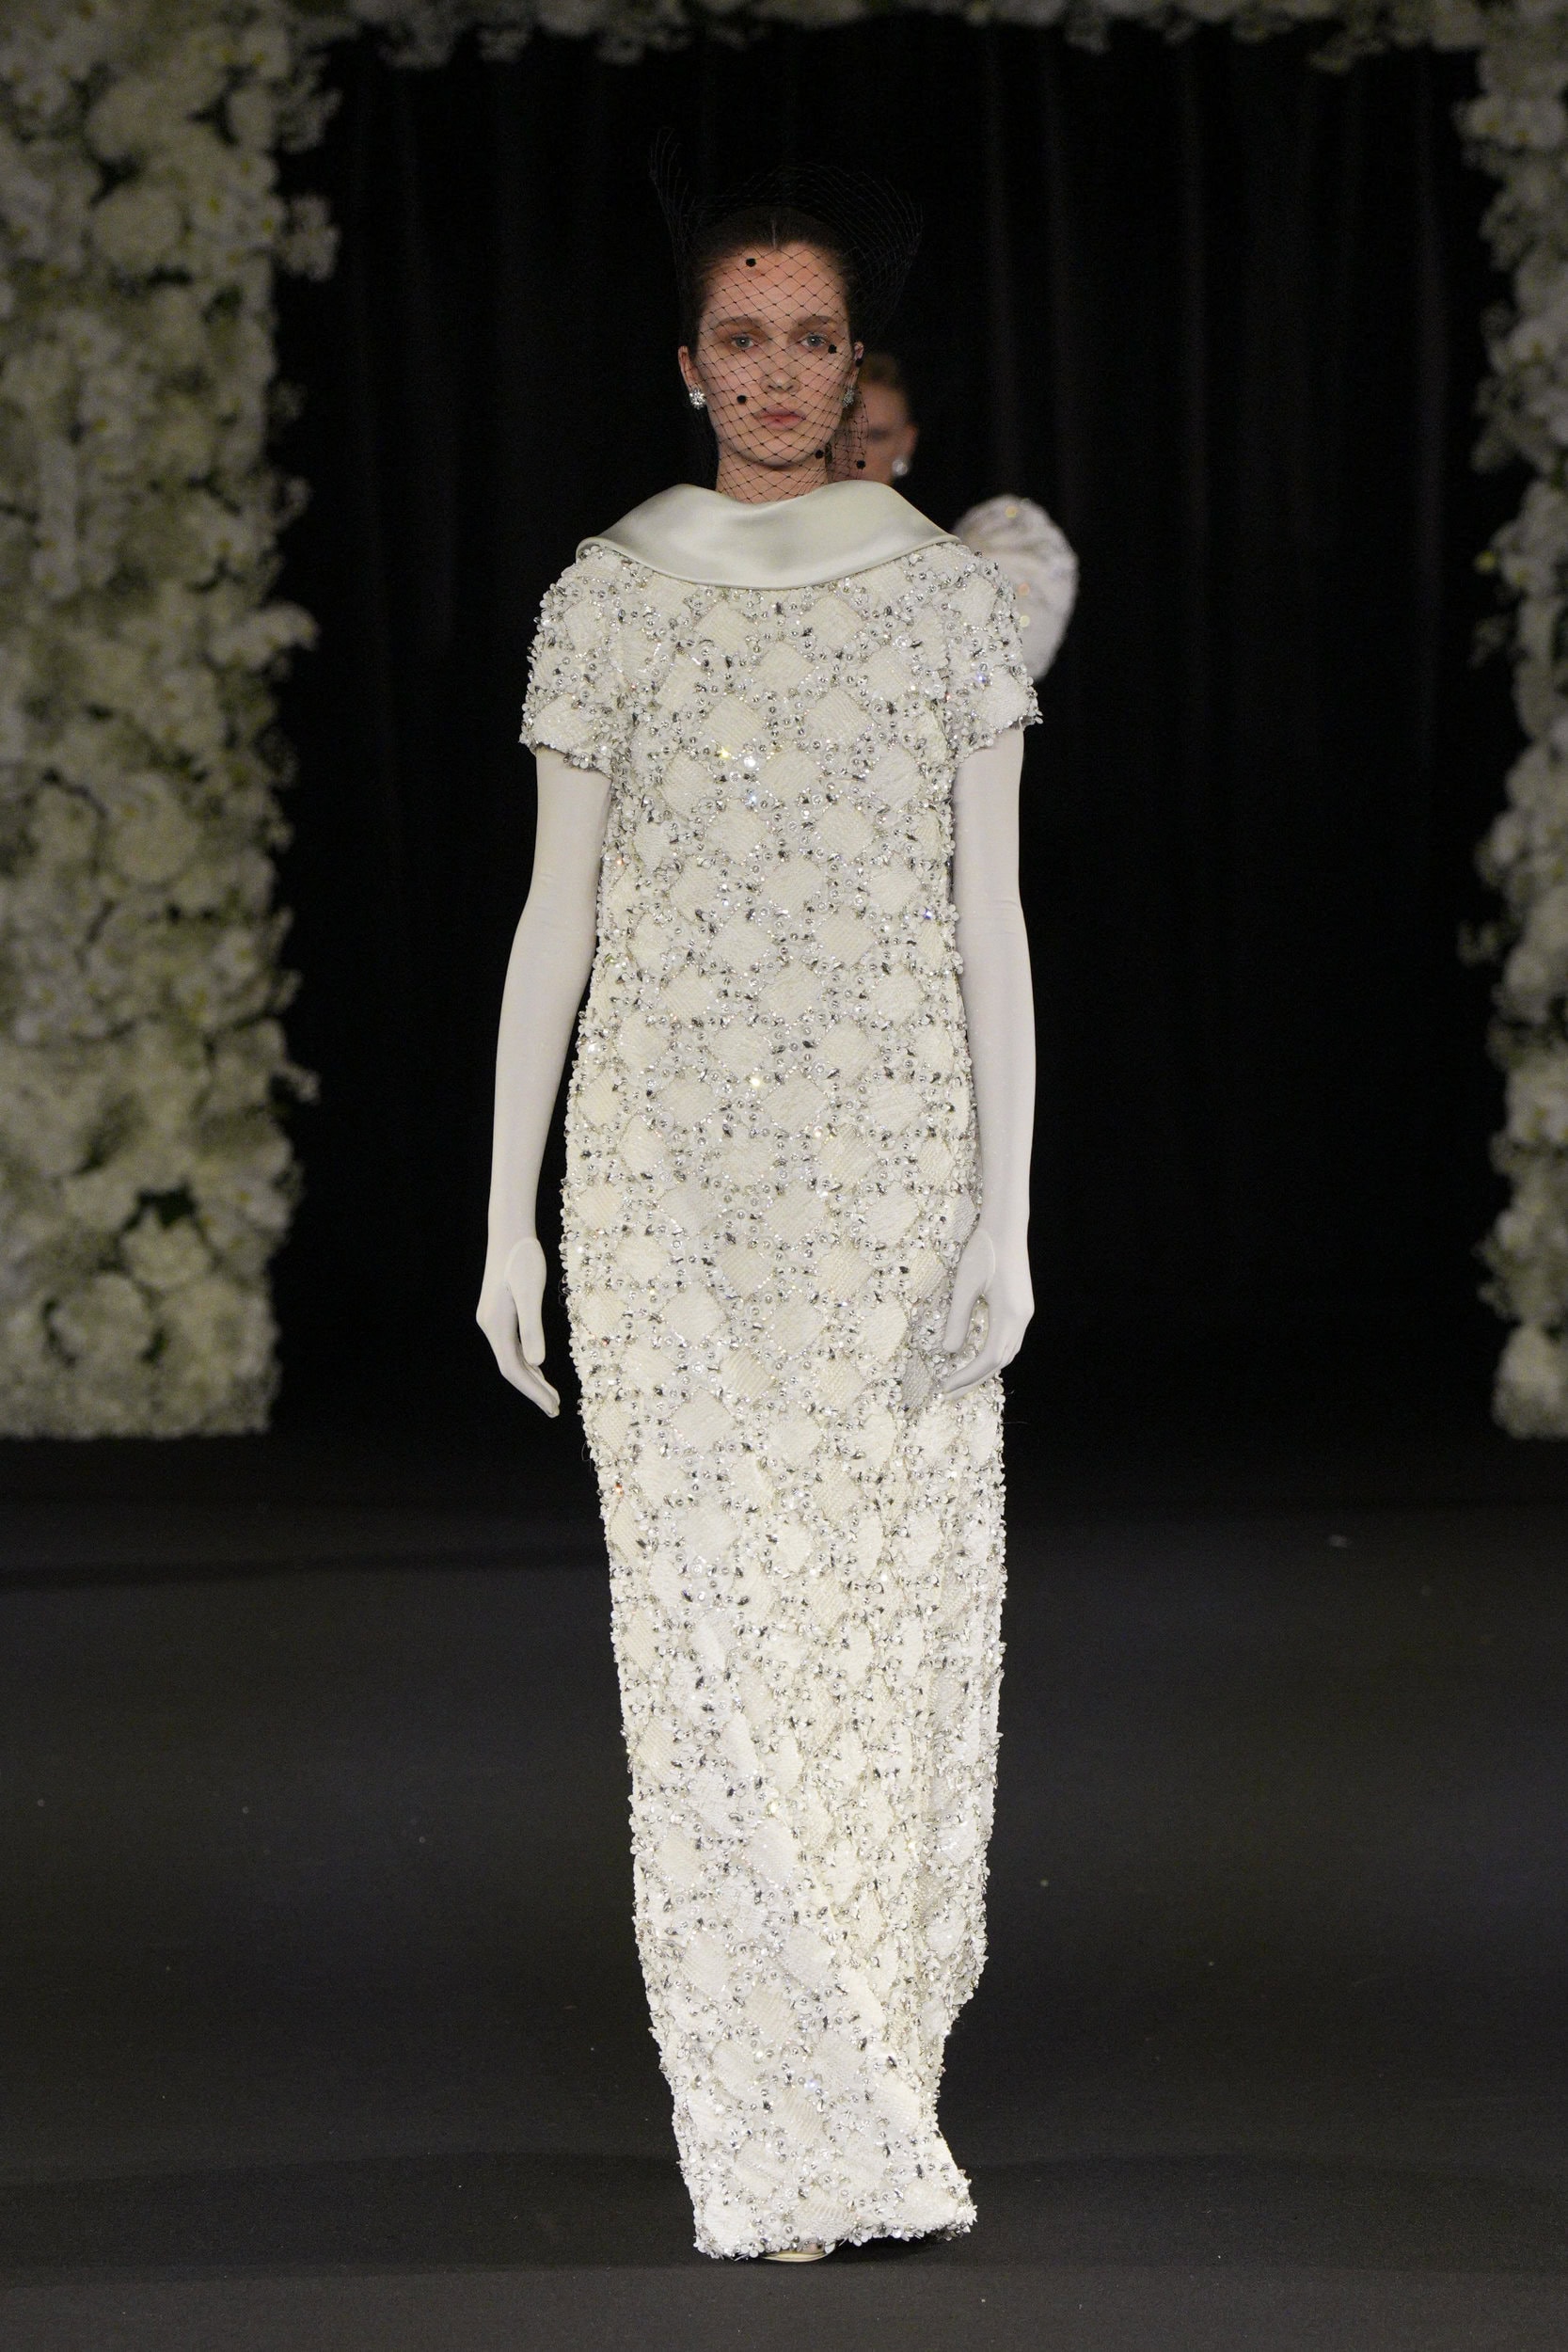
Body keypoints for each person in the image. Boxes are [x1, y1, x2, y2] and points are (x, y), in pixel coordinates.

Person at [478, 166, 1066, 2263]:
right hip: (662, 1187)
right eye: (743, 337)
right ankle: (773, 2128)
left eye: (811, 337)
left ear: (852, 364)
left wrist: (1005, 1211)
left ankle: (868, 2070)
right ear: (686, 363)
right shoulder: (609, 595)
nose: (778, 373)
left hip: (890, 1183)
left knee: (879, 1641)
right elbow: (554, 919)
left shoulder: (938, 603)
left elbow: (988, 921)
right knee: (708, 1651)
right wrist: (505, 1215)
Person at [850, 350, 1078, 682]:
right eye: (844, 434)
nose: (857, 454)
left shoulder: (952, 560)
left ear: (906, 442)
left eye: (877, 436)